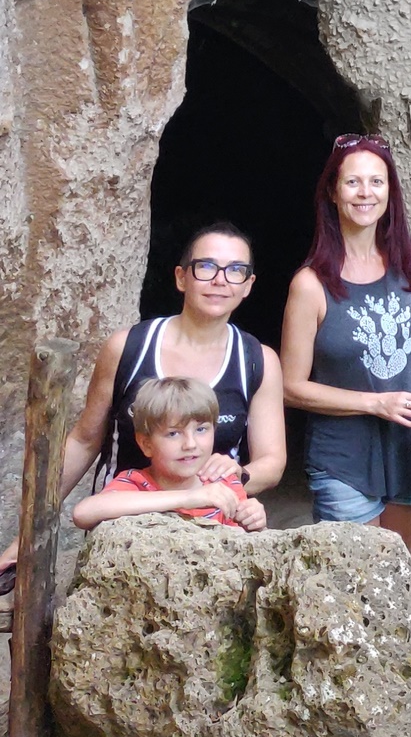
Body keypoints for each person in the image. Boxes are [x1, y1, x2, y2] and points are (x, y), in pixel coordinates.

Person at [1, 220, 286, 572]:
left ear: (248, 285)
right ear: (182, 277)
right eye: (207, 266)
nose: (220, 280)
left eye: (236, 271)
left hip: (214, 535)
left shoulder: (257, 360)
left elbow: (271, 463)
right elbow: (85, 440)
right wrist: (22, 542)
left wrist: (237, 476)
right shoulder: (128, 348)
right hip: (126, 531)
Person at [281, 133, 411, 554]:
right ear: (332, 192)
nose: (365, 193)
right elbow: (290, 387)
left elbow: (392, 341)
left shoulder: (400, 264)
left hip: (408, 445)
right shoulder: (311, 285)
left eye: (376, 181)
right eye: (353, 182)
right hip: (345, 457)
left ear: (390, 191)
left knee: (405, 563)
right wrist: (376, 403)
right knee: (361, 577)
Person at [72, 377, 268, 532]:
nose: (190, 444)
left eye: (201, 430)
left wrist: (255, 523)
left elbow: (250, 548)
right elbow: (84, 513)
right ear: (146, 444)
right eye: (173, 433)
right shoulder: (137, 483)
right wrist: (187, 498)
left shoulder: (223, 483)